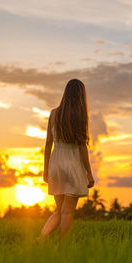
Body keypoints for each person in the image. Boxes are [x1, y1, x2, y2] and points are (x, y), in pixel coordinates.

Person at [37, 78, 95, 241]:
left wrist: (46, 169)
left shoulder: (54, 113)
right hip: (72, 164)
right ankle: (63, 247)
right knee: (67, 211)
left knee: (59, 210)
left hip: (56, 162)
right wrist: (88, 174)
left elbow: (48, 143)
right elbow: (82, 147)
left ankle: (40, 239)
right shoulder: (80, 116)